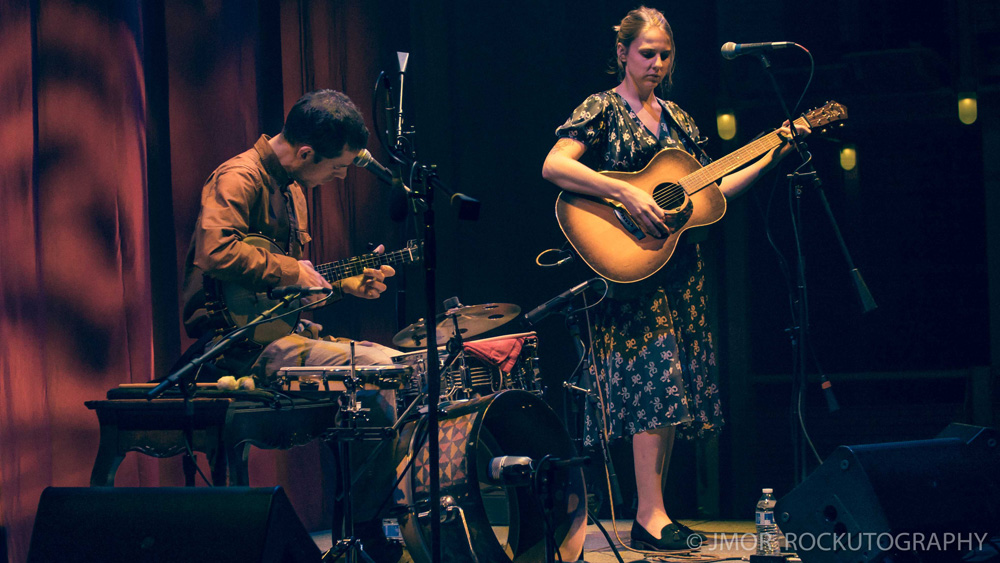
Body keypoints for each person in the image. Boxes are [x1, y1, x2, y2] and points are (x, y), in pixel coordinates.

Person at [541, 6, 808, 552]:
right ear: (623, 52)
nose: (657, 63)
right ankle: (651, 515)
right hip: (630, 268)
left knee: (671, 392)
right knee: (653, 386)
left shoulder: (681, 122)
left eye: (665, 54)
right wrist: (626, 192)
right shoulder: (604, 107)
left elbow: (711, 193)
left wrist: (772, 151)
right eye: (647, 53)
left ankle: (653, 513)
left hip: (676, 271)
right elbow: (554, 165)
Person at [181, 89, 399, 381]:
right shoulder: (238, 178)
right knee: (376, 365)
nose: (342, 176)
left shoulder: (293, 191)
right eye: (337, 166)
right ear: (305, 153)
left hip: (280, 337)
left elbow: (273, 295)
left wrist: (341, 286)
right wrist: (293, 271)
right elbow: (215, 251)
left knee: (397, 360)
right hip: (235, 348)